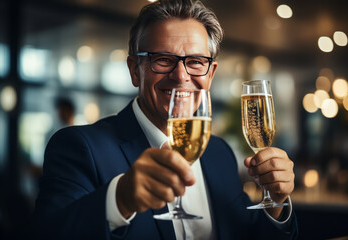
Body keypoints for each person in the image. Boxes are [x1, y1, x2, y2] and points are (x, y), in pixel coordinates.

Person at [33, 0, 298, 239]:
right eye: (163, 60)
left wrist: (276, 201)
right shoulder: (80, 147)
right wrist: (119, 199)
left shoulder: (220, 154)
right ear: (134, 71)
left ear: (211, 74)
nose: (181, 75)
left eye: (195, 61)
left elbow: (247, 234)